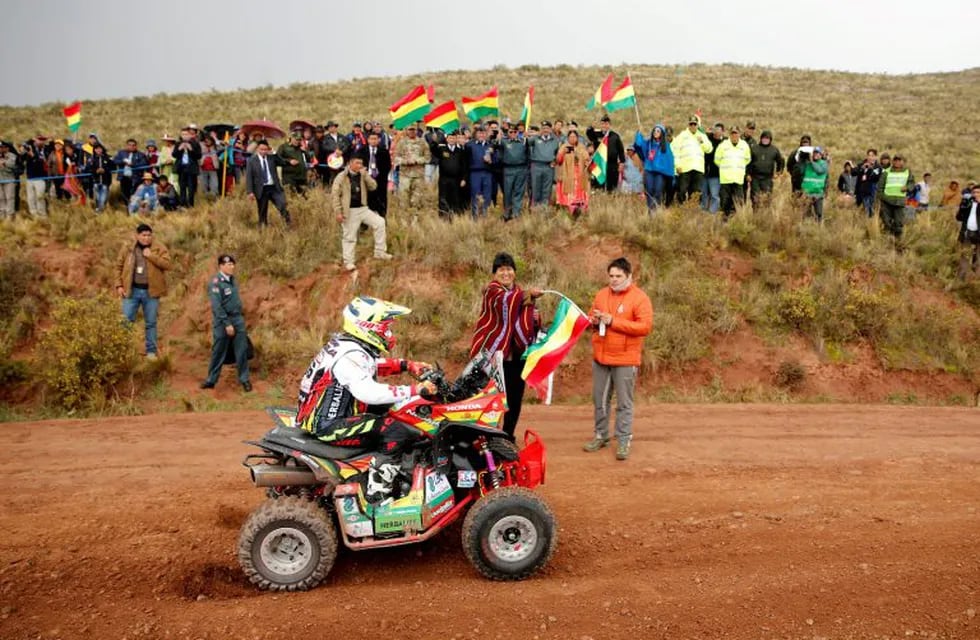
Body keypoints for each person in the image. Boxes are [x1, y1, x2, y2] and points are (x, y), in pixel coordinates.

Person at [295, 296, 436, 500]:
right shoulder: (350, 356)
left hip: (332, 414)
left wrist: (406, 365)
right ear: (367, 326)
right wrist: (415, 390)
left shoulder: (347, 346)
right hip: (329, 425)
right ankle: (378, 496)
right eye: (384, 327)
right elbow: (368, 392)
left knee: (397, 411)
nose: (389, 332)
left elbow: (370, 365)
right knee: (395, 430)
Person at [584, 257, 653, 461]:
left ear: (629, 276)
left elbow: (644, 327)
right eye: (611, 276)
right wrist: (593, 321)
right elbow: (590, 319)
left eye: (618, 276)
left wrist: (614, 321)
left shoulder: (640, 298)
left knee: (624, 403)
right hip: (601, 357)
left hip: (626, 358)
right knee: (600, 400)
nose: (613, 280)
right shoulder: (601, 294)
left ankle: (623, 440)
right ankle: (601, 435)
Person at [469, 253, 541, 436]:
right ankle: (487, 437)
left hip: (516, 356)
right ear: (495, 274)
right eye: (501, 269)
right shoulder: (492, 291)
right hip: (493, 357)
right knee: (490, 399)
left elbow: (527, 322)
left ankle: (507, 436)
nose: (505, 273)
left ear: (514, 272)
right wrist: (528, 296)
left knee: (514, 400)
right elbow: (505, 303)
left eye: (509, 269)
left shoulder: (519, 293)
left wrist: (534, 317)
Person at [114, 223, 171, 359]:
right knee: (126, 321)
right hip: (131, 291)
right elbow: (118, 266)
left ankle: (151, 352)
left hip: (151, 292)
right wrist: (119, 285)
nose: (146, 238)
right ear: (137, 235)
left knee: (151, 323)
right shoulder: (128, 248)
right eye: (143, 235)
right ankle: (123, 351)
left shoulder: (159, 247)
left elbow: (168, 265)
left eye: (149, 235)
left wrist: (151, 256)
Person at [198, 254, 252, 391]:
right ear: (221, 266)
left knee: (242, 350)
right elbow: (217, 306)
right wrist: (227, 323)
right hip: (223, 321)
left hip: (237, 319)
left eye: (233, 264)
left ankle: (244, 380)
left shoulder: (233, 280)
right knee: (218, 351)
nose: (231, 267)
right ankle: (211, 380)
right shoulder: (215, 283)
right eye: (228, 265)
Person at [331, 155, 392, 271]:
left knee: (380, 222)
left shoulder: (363, 175)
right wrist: (338, 212)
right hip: (349, 210)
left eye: (361, 163)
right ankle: (348, 261)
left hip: (363, 209)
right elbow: (335, 196)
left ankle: (380, 252)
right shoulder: (341, 177)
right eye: (357, 163)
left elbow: (373, 187)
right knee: (349, 236)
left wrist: (366, 176)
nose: (360, 166)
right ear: (350, 163)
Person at [244, 139, 292, 228]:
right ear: (257, 149)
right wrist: (250, 192)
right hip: (261, 189)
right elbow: (249, 177)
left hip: (274, 187)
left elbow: (282, 162)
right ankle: (263, 228)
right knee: (262, 211)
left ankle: (288, 225)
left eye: (265, 149)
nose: (263, 151)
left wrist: (273, 152)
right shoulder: (252, 161)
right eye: (261, 149)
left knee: (282, 205)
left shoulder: (272, 158)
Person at [670, 115, 713, 204]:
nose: (693, 126)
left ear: (698, 125)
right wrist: (677, 165)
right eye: (691, 124)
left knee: (696, 193)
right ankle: (681, 209)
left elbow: (709, 149)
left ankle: (693, 211)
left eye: (695, 124)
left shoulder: (702, 136)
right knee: (682, 191)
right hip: (684, 169)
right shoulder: (682, 135)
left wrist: (702, 142)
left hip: (698, 169)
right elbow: (675, 150)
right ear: (688, 125)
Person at [634, 124, 675, 212]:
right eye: (654, 131)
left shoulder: (666, 146)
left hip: (660, 173)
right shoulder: (648, 143)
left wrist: (670, 175)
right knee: (649, 191)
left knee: (657, 191)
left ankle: (656, 210)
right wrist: (639, 134)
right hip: (649, 171)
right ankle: (651, 211)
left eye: (658, 131)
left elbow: (669, 161)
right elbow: (639, 145)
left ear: (662, 134)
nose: (655, 132)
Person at [714, 126, 752, 219]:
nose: (734, 135)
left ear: (739, 134)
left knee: (738, 202)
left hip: (738, 179)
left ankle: (735, 220)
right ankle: (724, 221)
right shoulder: (723, 145)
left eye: (736, 133)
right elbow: (717, 160)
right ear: (729, 134)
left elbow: (747, 160)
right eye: (732, 133)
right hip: (725, 180)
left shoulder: (744, 145)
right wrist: (725, 169)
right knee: (725, 202)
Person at [554, 131, 591, 217]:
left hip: (580, 175)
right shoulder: (563, 147)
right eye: (570, 137)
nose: (572, 138)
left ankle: (581, 212)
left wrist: (586, 162)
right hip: (568, 175)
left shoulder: (582, 147)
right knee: (570, 194)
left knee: (580, 193)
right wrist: (563, 152)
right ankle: (570, 212)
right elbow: (558, 160)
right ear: (568, 138)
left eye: (574, 137)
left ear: (577, 138)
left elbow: (587, 159)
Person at [878, 154, 915, 240]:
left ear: (903, 162)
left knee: (899, 222)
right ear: (893, 161)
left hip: (900, 202)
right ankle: (888, 240)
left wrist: (907, 187)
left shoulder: (907, 171)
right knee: (886, 222)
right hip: (887, 201)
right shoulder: (886, 172)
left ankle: (898, 240)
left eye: (899, 160)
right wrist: (883, 197)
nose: (897, 162)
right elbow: (880, 187)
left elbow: (912, 184)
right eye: (895, 160)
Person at [432, 131, 468, 217]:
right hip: (444, 179)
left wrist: (464, 178)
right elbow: (433, 150)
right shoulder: (442, 149)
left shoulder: (460, 151)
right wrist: (434, 141)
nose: (452, 139)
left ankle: (454, 217)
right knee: (443, 198)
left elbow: (464, 166)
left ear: (456, 139)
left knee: (455, 199)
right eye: (450, 138)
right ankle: (443, 217)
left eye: (453, 138)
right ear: (447, 139)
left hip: (456, 179)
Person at [496, 125, 529, 221]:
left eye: (515, 131)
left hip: (521, 169)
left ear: (518, 133)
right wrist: (497, 138)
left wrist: (528, 137)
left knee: (518, 192)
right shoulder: (504, 142)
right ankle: (507, 213)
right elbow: (494, 145)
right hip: (508, 169)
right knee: (507, 192)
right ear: (508, 133)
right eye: (511, 132)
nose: (513, 133)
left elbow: (530, 148)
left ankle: (516, 213)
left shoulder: (523, 141)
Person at [393, 125, 429, 211]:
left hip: (418, 176)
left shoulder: (422, 142)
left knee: (416, 200)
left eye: (414, 130)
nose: (412, 132)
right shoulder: (401, 142)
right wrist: (406, 161)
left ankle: (414, 220)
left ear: (417, 130)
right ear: (406, 130)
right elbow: (396, 157)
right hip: (404, 175)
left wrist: (417, 160)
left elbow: (428, 157)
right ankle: (404, 221)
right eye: (410, 130)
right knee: (403, 199)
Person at [586, 115, 625, 192]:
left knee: (611, 185)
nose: (605, 125)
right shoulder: (596, 134)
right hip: (599, 163)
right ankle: (599, 196)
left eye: (606, 124)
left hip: (612, 164)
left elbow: (621, 150)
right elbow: (589, 134)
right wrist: (591, 127)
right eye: (603, 123)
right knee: (598, 184)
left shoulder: (615, 136)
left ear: (609, 125)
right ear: (600, 125)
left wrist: (622, 162)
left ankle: (610, 198)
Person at [748, 130, 785, 207]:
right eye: (764, 138)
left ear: (770, 139)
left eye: (767, 138)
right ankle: (756, 215)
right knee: (755, 198)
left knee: (767, 198)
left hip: (767, 178)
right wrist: (747, 174)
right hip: (755, 178)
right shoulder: (754, 148)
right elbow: (748, 162)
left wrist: (778, 172)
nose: (765, 140)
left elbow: (781, 161)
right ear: (761, 139)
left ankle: (765, 215)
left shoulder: (774, 150)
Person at [527, 121, 560, 208]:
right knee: (536, 187)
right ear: (541, 129)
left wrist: (555, 161)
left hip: (549, 167)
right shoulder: (535, 139)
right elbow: (527, 142)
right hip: (537, 165)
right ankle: (535, 207)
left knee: (547, 188)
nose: (545, 130)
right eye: (544, 128)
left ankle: (544, 207)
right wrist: (533, 134)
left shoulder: (555, 140)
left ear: (550, 129)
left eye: (547, 128)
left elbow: (558, 153)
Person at [465, 126, 496, 217]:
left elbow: (496, 159)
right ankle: (475, 216)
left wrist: (491, 161)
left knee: (487, 195)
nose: (481, 135)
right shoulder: (470, 145)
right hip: (475, 173)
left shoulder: (490, 145)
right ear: (476, 134)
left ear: (486, 134)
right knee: (475, 194)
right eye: (479, 133)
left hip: (487, 173)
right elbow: (465, 160)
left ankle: (485, 216)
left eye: (483, 133)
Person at [359, 131, 392, 216]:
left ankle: (382, 220)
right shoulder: (361, 151)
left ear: (379, 140)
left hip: (380, 179)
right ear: (368, 140)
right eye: (371, 139)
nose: (373, 141)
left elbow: (388, 166)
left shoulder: (384, 151)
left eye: (375, 139)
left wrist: (381, 176)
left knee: (381, 200)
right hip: (366, 178)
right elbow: (357, 164)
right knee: (365, 200)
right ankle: (365, 223)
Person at [171, 128, 202, 207]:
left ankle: (190, 204)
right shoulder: (178, 144)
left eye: (186, 134)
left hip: (191, 169)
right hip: (181, 168)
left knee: (191, 188)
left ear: (189, 135)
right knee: (182, 187)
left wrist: (191, 149)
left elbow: (199, 156)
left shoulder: (195, 143)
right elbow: (174, 155)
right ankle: (182, 204)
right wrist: (179, 149)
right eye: (183, 134)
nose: (184, 136)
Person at [956, 184, 980, 280]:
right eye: (974, 192)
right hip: (967, 233)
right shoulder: (969, 204)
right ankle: (960, 280)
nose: (976, 194)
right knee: (964, 256)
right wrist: (962, 208)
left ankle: (976, 282)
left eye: (978, 192)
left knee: (978, 258)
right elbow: (959, 218)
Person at [277, 131, 312, 195]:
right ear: (291, 138)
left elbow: (309, 159)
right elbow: (277, 159)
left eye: (299, 140)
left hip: (301, 177)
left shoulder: (301, 147)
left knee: (304, 196)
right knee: (292, 195)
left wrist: (305, 151)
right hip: (289, 176)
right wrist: (289, 161)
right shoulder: (283, 147)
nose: (297, 141)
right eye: (296, 139)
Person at [701, 123, 725, 213]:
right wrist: (706, 133)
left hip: (716, 174)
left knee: (715, 195)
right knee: (703, 194)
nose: (717, 132)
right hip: (704, 172)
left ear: (723, 132)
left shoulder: (724, 143)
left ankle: (712, 213)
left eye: (719, 130)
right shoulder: (708, 139)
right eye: (715, 130)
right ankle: (703, 211)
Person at [800, 147, 829, 222]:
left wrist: (812, 161)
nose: (815, 154)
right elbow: (800, 171)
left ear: (820, 155)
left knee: (818, 213)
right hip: (807, 193)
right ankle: (808, 229)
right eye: (814, 153)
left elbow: (819, 170)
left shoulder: (824, 164)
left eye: (817, 153)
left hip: (818, 193)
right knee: (806, 214)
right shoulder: (808, 163)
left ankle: (818, 230)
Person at [22, 137, 48, 216]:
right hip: (30, 178)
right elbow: (21, 157)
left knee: (39, 197)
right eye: (38, 140)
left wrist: (33, 156)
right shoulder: (30, 150)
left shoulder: (45, 151)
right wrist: (30, 139)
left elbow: (40, 163)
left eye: (42, 140)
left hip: (40, 178)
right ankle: (33, 214)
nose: (39, 142)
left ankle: (42, 214)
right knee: (31, 198)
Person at [84, 143, 114, 213]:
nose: (98, 150)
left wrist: (105, 170)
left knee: (103, 198)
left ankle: (100, 211)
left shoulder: (108, 158)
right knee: (97, 198)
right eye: (96, 149)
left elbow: (113, 167)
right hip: (95, 181)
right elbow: (87, 169)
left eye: (100, 148)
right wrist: (95, 171)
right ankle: (99, 210)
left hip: (105, 181)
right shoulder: (91, 159)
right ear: (94, 150)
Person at [0, 142, 17, 218]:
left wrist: (4, 163)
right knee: (1, 198)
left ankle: (10, 215)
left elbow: (12, 165)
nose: (1, 149)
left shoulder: (12, 155)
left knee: (10, 197)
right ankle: (2, 215)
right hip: (0, 179)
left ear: (7, 148)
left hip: (9, 180)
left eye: (2, 147)